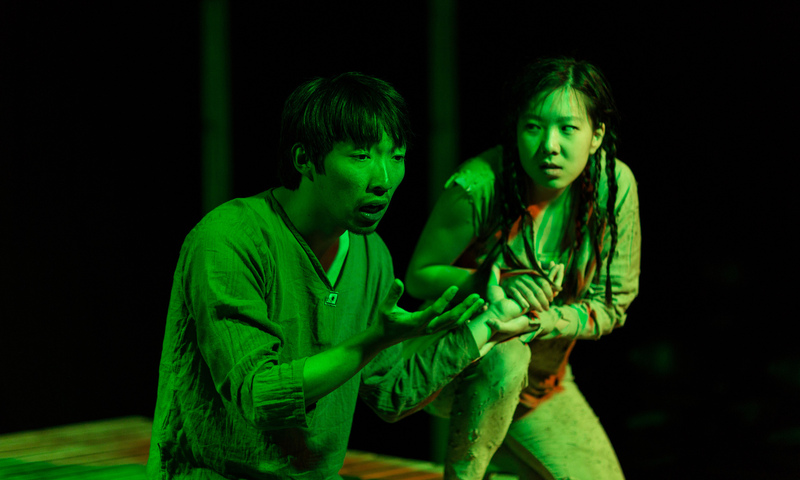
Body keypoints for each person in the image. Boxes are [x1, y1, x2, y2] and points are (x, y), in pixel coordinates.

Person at [146, 72, 537, 480]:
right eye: (362, 156)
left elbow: (391, 392)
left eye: (397, 156)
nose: (384, 180)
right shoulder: (228, 239)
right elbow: (260, 396)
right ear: (304, 159)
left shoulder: (371, 254)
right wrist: (373, 339)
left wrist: (486, 327)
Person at [405, 58, 641, 479]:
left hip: (541, 380)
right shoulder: (480, 185)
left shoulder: (613, 187)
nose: (549, 145)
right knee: (505, 357)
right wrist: (492, 280)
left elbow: (611, 303)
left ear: (596, 135)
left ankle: (506, 456)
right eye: (533, 126)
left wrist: (546, 320)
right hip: (456, 364)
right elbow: (419, 274)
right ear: (516, 128)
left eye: (568, 128)